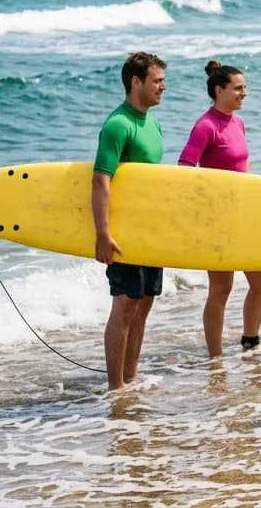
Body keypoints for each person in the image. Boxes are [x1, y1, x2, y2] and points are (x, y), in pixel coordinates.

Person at [180, 61, 261, 357]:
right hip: (217, 221)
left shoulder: (237, 123)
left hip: (241, 215)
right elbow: (184, 168)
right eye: (238, 88)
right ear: (220, 90)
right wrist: (204, 206)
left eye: (245, 87)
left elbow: (242, 166)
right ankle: (216, 356)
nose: (244, 93)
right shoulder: (205, 126)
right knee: (221, 289)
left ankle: (250, 340)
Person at [92, 52, 167, 390]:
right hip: (124, 234)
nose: (163, 86)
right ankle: (115, 387)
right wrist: (103, 234)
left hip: (150, 232)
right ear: (136, 82)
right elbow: (101, 180)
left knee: (145, 303)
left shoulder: (153, 123)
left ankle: (131, 378)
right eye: (156, 80)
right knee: (125, 305)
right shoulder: (117, 124)